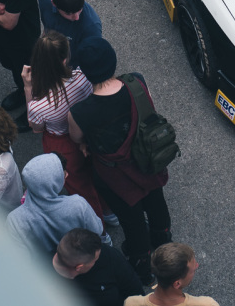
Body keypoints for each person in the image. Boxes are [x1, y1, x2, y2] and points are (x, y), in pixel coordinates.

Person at [68, 40, 171, 285]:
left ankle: (143, 268)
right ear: (113, 60)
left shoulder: (80, 111)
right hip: (148, 158)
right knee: (156, 200)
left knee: (132, 220)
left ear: (84, 72)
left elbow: (77, 137)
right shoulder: (137, 81)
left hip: (115, 176)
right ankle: (164, 241)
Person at [23, 30, 106, 219]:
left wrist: (28, 88)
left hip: (62, 143)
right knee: (99, 173)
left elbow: (36, 128)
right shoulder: (82, 77)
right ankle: (109, 211)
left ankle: (98, 225)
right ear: (63, 60)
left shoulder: (39, 104)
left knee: (79, 185)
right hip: (88, 131)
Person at [8, 153, 104, 256]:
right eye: (62, 174)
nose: (67, 175)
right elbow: (97, 230)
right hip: (78, 258)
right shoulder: (78, 205)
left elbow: (20, 257)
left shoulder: (14, 220)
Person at [54, 229, 144, 306]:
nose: (100, 257)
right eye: (95, 260)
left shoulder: (107, 254)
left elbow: (134, 289)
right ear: (79, 267)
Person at [123, 244, 218, 306]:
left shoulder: (131, 303)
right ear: (177, 284)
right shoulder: (207, 304)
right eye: (192, 270)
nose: (197, 266)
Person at [39, 0, 105, 58]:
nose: (77, 17)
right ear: (53, 3)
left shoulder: (92, 27)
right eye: (69, 13)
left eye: (79, 10)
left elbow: (91, 59)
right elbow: (47, 27)